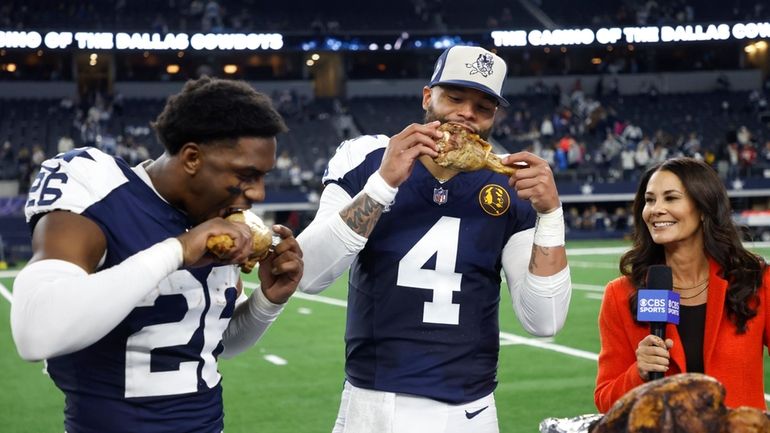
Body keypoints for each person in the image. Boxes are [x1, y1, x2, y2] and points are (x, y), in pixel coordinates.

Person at [297, 45, 572, 433]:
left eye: (483, 107)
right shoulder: (368, 156)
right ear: (428, 97)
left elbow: (544, 321)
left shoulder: (512, 182)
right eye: (455, 98)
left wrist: (550, 215)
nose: (467, 115)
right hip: (372, 401)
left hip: (468, 408)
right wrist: (382, 185)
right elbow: (308, 275)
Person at [10, 76, 304, 433]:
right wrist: (178, 250)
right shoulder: (103, 191)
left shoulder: (217, 217)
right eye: (246, 175)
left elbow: (213, 343)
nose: (257, 193)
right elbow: (35, 332)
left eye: (263, 177)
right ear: (192, 157)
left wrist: (267, 301)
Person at [594, 157, 769, 412]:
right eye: (650, 200)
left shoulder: (755, 281)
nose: (656, 209)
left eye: (671, 198)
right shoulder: (621, 295)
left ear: (703, 208)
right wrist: (638, 372)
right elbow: (605, 401)